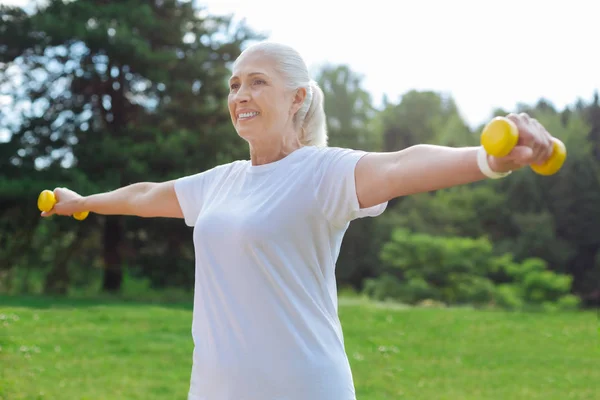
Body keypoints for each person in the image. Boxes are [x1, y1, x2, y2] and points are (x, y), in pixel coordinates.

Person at [42, 41, 557, 400]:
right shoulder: (221, 181)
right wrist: (84, 200)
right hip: (215, 391)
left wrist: (489, 159)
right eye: (235, 84)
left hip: (303, 390)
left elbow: (403, 163)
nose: (240, 95)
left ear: (298, 98)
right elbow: (147, 194)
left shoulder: (322, 173)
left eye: (257, 83)